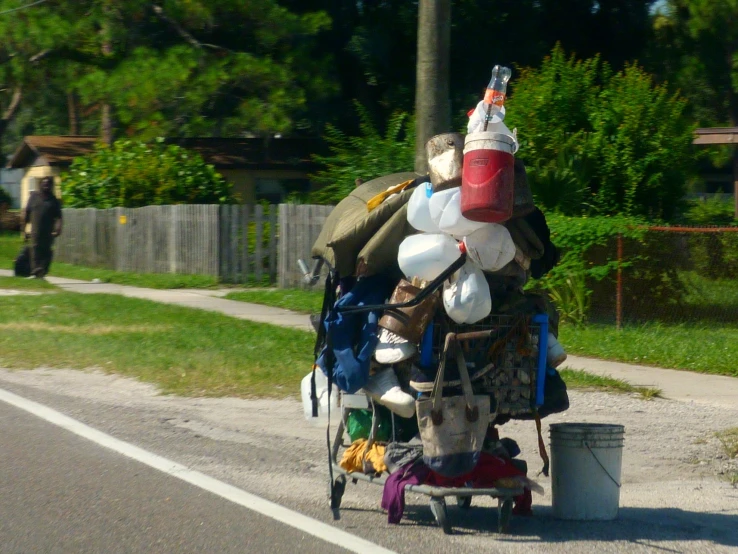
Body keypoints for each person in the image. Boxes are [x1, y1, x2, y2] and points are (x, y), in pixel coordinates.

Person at [23, 176, 62, 279]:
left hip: (48, 232)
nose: (46, 185)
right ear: (40, 184)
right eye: (44, 183)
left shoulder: (53, 200)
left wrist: (58, 228)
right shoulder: (34, 197)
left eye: (48, 184)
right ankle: (35, 272)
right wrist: (24, 230)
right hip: (35, 230)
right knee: (35, 249)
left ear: (51, 186)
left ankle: (43, 271)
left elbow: (59, 216)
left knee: (47, 252)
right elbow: (27, 214)